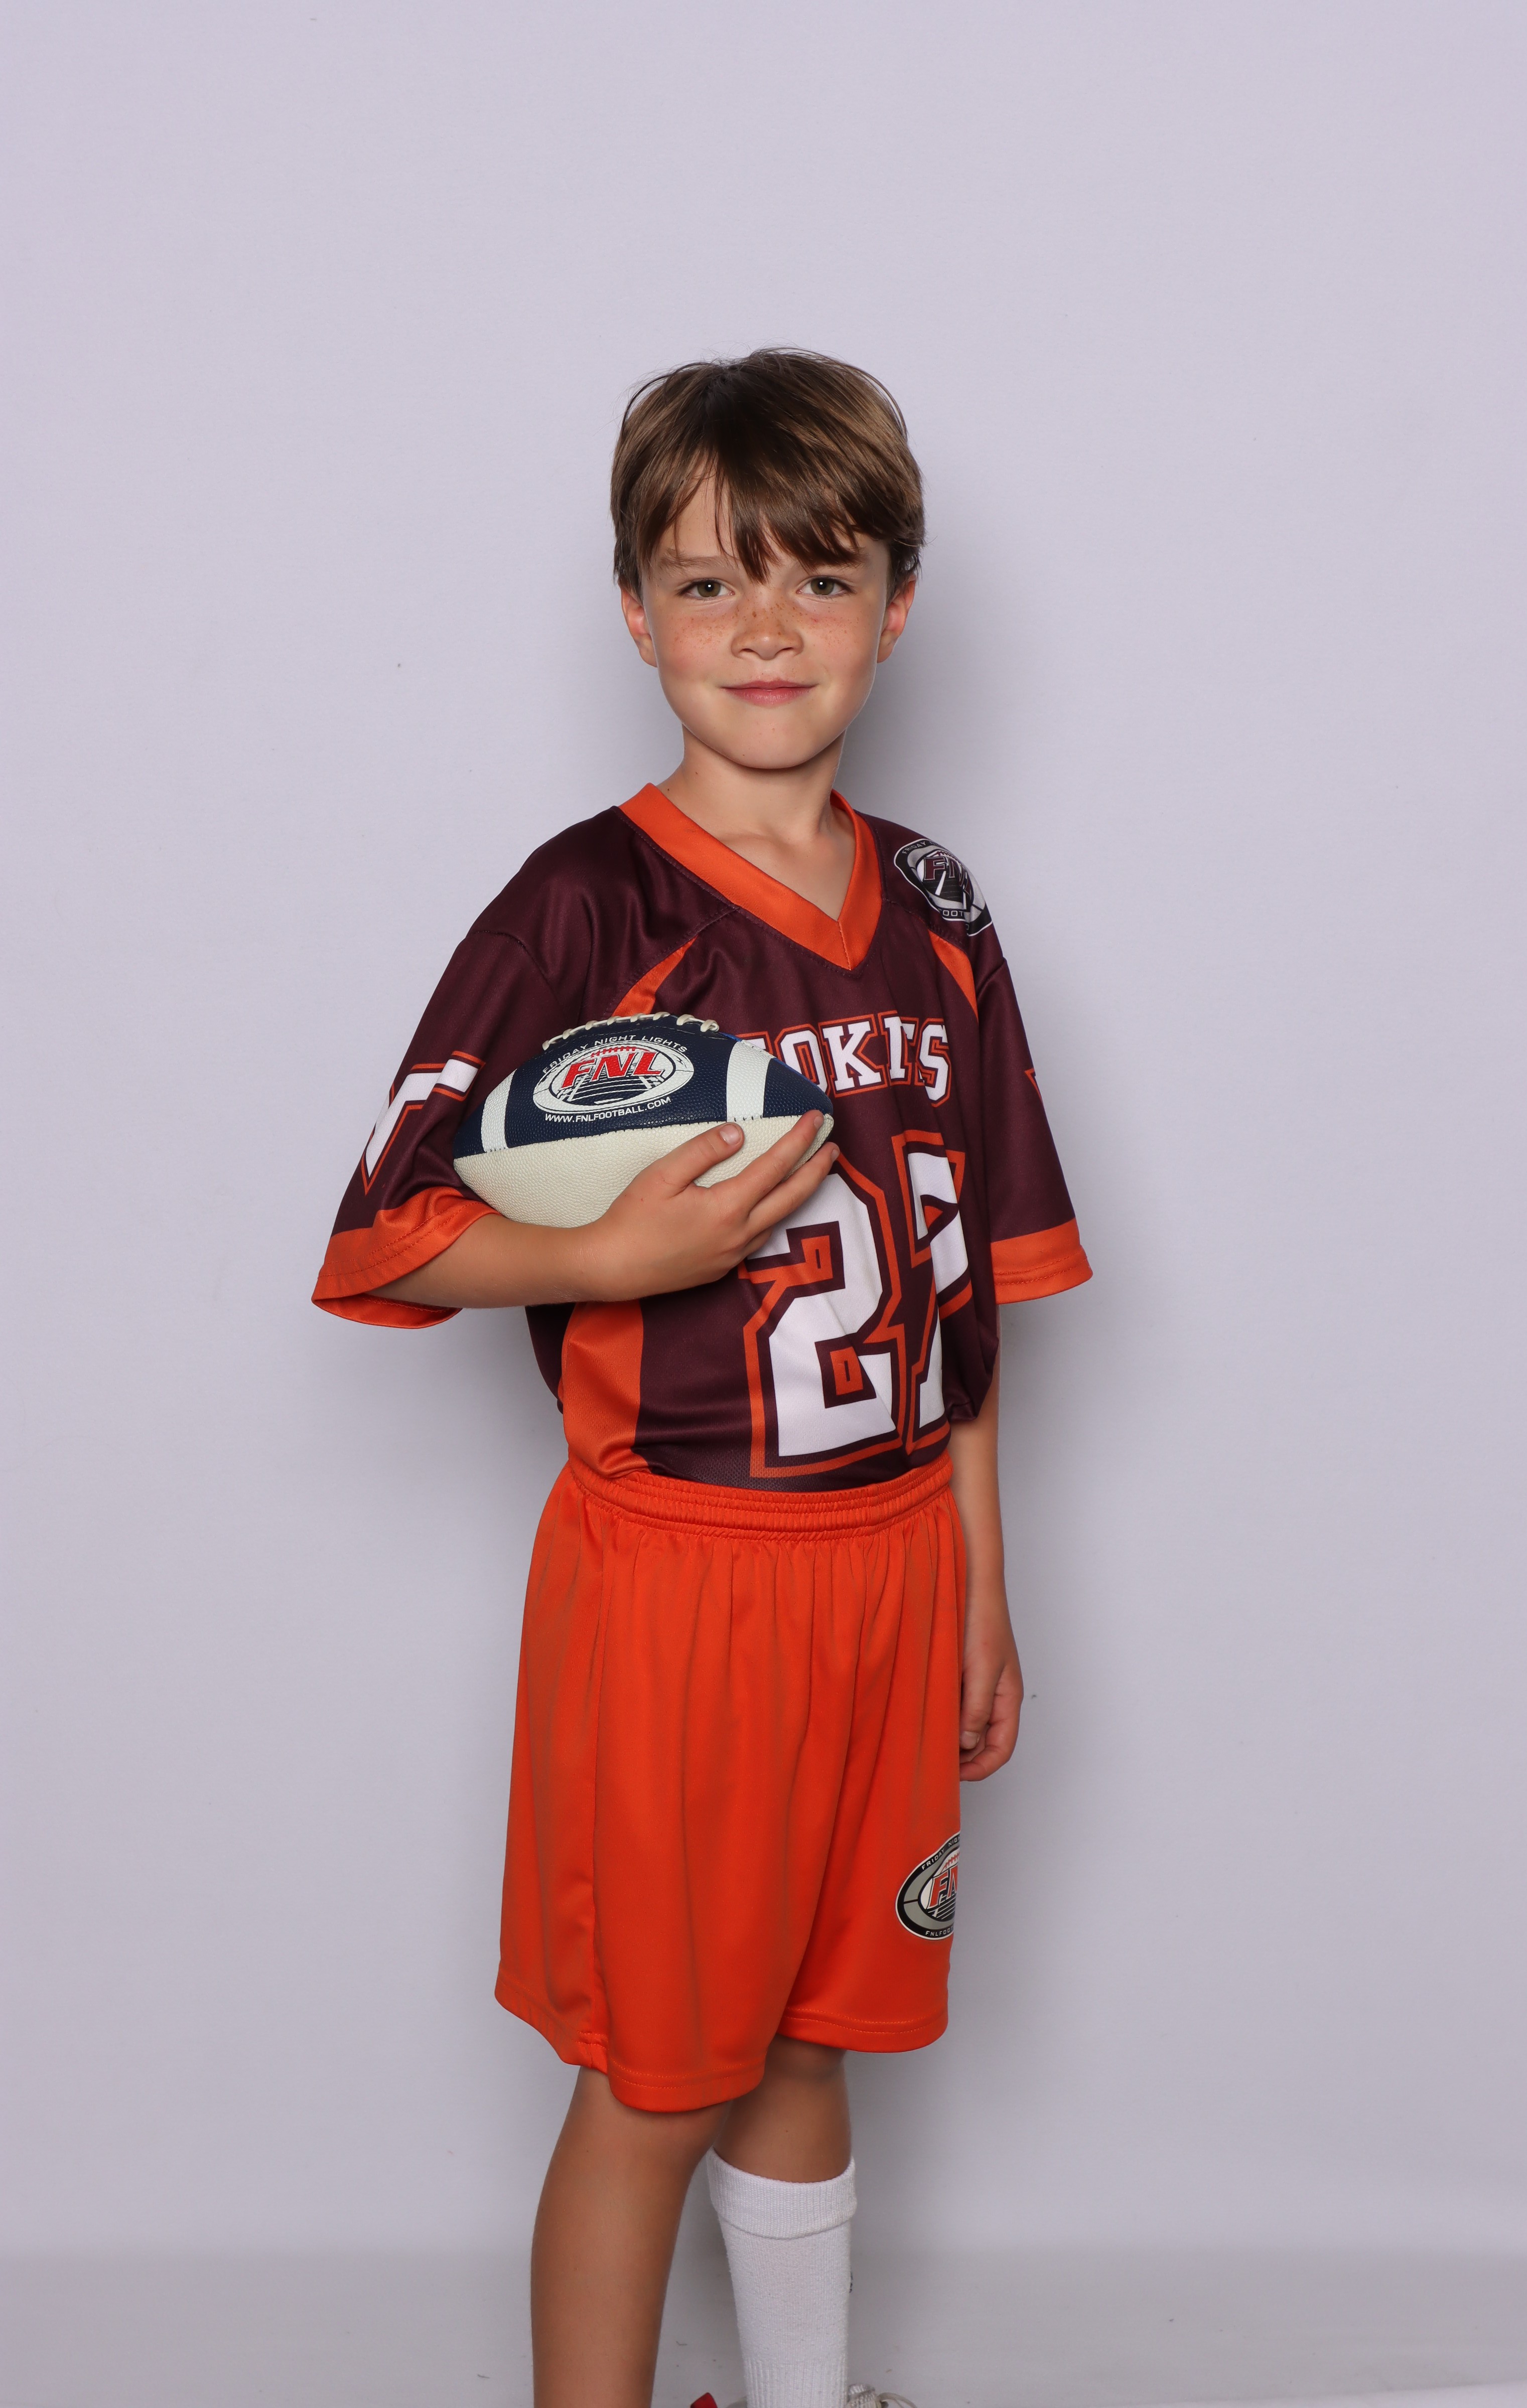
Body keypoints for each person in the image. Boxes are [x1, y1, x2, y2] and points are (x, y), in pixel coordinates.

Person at [313, 349, 1090, 2408]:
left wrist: (983, 1584)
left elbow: (967, 1297)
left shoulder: (939, 911)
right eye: (708, 581)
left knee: (816, 2039)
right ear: (633, 611)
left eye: (820, 579)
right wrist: (606, 1259)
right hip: (683, 1573)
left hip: (892, 1559)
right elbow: (381, 1231)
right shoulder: (591, 902)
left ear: (896, 607)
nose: (765, 627)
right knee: (662, 2076)